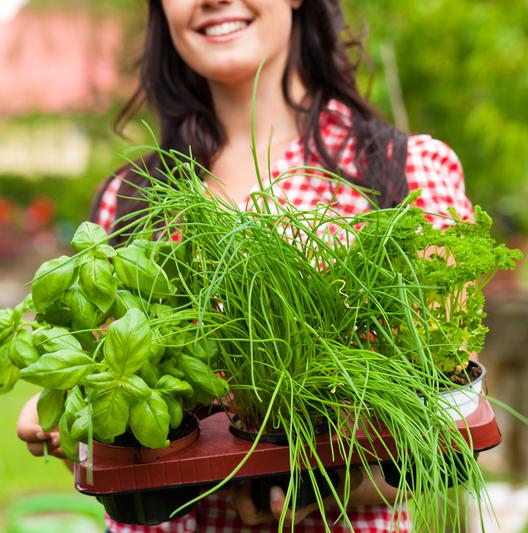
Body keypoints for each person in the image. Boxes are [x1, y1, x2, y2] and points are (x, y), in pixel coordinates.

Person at [16, 0, 474, 531]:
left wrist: (342, 485)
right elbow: (120, 414)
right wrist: (73, 429)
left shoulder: (403, 173)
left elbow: (448, 420)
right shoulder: (133, 198)